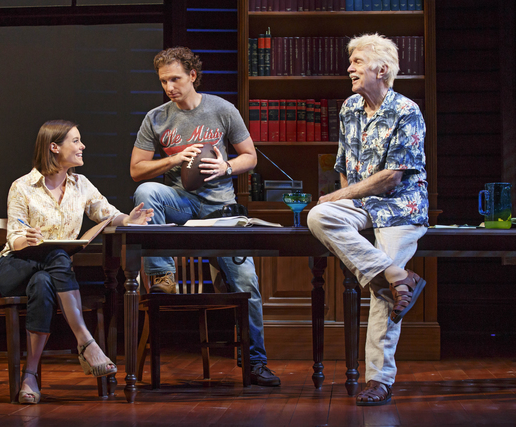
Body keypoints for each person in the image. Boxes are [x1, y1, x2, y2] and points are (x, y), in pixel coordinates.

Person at [130, 47, 280, 387]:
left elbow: (250, 158)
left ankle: (255, 363)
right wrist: (174, 159)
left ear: (193, 76)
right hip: (181, 204)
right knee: (146, 193)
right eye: (164, 81)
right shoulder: (156, 118)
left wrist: (227, 166)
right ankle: (163, 276)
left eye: (176, 79)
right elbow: (137, 171)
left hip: (220, 212)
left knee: (247, 286)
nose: (169, 86)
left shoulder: (221, 110)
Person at [307, 33, 429, 406]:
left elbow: (393, 176)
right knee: (319, 214)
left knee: (381, 293)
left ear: (382, 69)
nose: (349, 69)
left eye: (357, 62)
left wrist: (342, 195)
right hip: (362, 205)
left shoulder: (407, 110)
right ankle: (396, 274)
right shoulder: (349, 108)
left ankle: (379, 379)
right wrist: (343, 200)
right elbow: (344, 166)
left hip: (400, 208)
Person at [0, 120, 154, 404]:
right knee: (56, 256)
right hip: (14, 266)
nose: (83, 146)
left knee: (44, 283)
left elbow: (106, 212)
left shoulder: (81, 185)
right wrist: (27, 239)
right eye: (76, 141)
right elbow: (14, 238)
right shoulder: (22, 187)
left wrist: (130, 219)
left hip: (48, 274)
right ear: (54, 147)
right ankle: (85, 341)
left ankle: (29, 376)